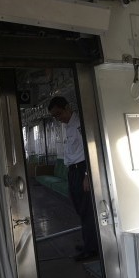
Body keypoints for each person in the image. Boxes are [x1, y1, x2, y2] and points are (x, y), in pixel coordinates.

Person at [47, 96, 99, 261]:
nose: (58, 118)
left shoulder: (79, 124)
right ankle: (89, 243)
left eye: (59, 114)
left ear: (68, 107)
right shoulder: (68, 126)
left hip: (82, 170)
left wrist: (87, 175)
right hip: (73, 171)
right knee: (80, 210)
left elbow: (91, 149)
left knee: (87, 211)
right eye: (55, 116)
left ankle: (92, 250)